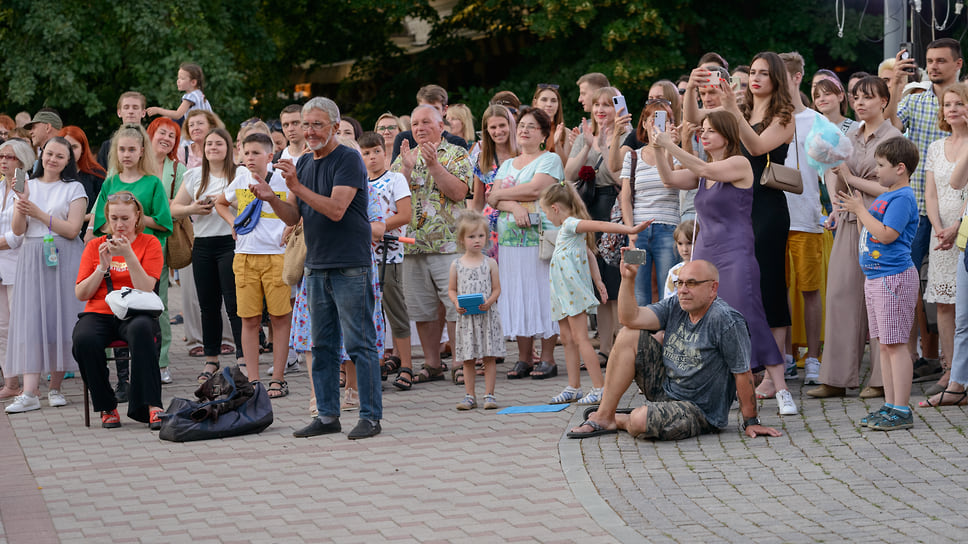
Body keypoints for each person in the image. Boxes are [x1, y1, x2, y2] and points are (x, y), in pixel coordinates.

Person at [653, 110, 798, 416]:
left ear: (728, 135)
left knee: (750, 315)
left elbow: (705, 168)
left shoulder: (739, 163)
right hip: (706, 251)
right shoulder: (703, 170)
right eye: (702, 130)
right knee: (705, 319)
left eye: (710, 131)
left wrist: (671, 146)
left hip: (736, 252)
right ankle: (716, 388)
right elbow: (668, 179)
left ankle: (781, 389)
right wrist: (657, 145)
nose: (703, 135)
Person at [255, 97, 383, 440]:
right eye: (305, 124)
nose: (309, 131)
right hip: (316, 265)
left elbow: (337, 209)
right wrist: (272, 197)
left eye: (317, 125)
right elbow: (295, 217)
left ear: (334, 126)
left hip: (350, 265)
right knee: (321, 345)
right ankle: (328, 416)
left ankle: (370, 417)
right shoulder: (305, 164)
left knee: (359, 344)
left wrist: (295, 187)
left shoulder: (349, 159)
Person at [568, 259, 782, 441]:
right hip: (667, 389)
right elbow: (629, 318)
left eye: (692, 283)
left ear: (713, 288)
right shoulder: (676, 305)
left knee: (639, 421)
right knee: (628, 334)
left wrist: (751, 422)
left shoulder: (726, 320)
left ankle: (620, 419)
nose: (683, 290)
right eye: (680, 283)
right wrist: (628, 279)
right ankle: (604, 416)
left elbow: (742, 373)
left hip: (699, 410)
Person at [806, 76, 897, 400]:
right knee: (841, 296)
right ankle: (835, 377)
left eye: (868, 97)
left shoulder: (894, 137)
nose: (860, 102)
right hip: (847, 217)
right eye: (857, 97)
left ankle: (881, 380)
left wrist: (849, 177)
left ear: (884, 101)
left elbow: (891, 188)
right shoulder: (848, 135)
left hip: (880, 220)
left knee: (880, 300)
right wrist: (837, 187)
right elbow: (838, 178)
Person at [718, 52, 797, 402]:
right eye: (752, 72)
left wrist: (733, 111)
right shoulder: (742, 110)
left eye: (764, 73)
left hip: (767, 207)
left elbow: (757, 146)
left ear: (777, 79)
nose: (756, 78)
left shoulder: (784, 116)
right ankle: (745, 365)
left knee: (769, 287)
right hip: (738, 206)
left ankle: (773, 367)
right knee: (741, 287)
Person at [835, 136, 921, 430]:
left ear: (900, 168)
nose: (876, 169)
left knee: (896, 345)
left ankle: (901, 408)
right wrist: (857, 210)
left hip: (893, 278)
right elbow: (868, 232)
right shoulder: (885, 196)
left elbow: (886, 235)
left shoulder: (903, 198)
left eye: (880, 165)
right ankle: (890, 404)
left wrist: (861, 210)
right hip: (876, 278)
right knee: (884, 346)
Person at [888, 38, 963, 378]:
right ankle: (920, 358)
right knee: (913, 285)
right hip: (918, 208)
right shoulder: (915, 102)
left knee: (947, 291)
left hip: (957, 213)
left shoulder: (963, 104)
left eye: (941, 61)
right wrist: (895, 85)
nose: (933, 66)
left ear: (957, 64)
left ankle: (947, 364)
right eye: (929, 61)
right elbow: (891, 129)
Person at [540, 182, 650, 406]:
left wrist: (629, 230)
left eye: (545, 212)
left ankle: (600, 387)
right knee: (569, 339)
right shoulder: (566, 230)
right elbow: (589, 252)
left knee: (581, 339)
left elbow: (600, 224)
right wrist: (598, 280)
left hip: (571, 292)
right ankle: (574, 386)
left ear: (555, 208)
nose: (546, 217)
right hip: (560, 292)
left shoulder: (571, 224)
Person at [390, 104, 472, 385]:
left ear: (441, 125)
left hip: (450, 244)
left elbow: (460, 191)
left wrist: (434, 165)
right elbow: (391, 199)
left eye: (426, 122)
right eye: (414, 124)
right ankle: (432, 363)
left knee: (455, 307)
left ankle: (461, 362)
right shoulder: (403, 158)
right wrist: (408, 170)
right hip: (412, 246)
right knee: (422, 310)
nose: (419, 128)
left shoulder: (457, 153)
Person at [4, 137, 87, 414]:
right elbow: (18, 230)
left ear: (68, 161)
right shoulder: (27, 183)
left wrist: (38, 212)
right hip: (31, 255)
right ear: (41, 154)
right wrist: (21, 206)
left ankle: (55, 387)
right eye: (49, 153)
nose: (53, 159)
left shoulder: (74, 188)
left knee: (60, 318)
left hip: (63, 256)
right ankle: (28, 392)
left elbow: (73, 229)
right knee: (31, 319)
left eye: (60, 156)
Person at [72, 192, 164, 429]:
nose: (119, 225)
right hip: (100, 312)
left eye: (125, 218)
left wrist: (129, 255)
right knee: (83, 339)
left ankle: (151, 405)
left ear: (137, 217)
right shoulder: (95, 245)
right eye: (114, 219)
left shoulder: (150, 243)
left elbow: (147, 288)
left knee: (143, 330)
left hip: (135, 311)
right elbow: (81, 294)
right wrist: (101, 268)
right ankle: (107, 405)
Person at [213, 133, 293, 395]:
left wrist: (292, 228)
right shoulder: (239, 178)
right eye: (246, 153)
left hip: (277, 256)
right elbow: (220, 203)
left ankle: (278, 378)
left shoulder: (283, 178)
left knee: (280, 318)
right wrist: (232, 223)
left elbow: (297, 210)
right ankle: (255, 380)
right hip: (245, 256)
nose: (250, 157)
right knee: (249, 319)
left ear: (270, 157)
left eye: (256, 153)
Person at [486, 108, 562, 380]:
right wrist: (515, 208)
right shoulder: (507, 164)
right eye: (522, 126)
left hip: (540, 239)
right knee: (517, 295)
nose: (524, 130)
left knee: (543, 294)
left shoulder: (550, 159)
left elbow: (536, 189)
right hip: (510, 241)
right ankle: (524, 358)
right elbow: (490, 198)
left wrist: (504, 197)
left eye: (532, 126)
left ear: (544, 133)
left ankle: (549, 358)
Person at [170, 128, 245, 382]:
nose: (213, 147)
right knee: (208, 306)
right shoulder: (193, 176)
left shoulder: (239, 174)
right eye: (209, 144)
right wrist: (194, 208)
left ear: (229, 148)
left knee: (235, 304)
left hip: (231, 244)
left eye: (219, 143)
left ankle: (243, 358)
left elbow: (250, 204)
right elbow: (173, 209)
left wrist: (226, 201)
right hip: (202, 245)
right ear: (202, 149)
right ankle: (211, 358)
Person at [564, 86, 628, 363]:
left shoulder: (629, 135)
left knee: (617, 279)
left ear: (620, 107)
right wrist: (588, 145)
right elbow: (567, 174)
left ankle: (621, 345)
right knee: (599, 281)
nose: (601, 109)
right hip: (589, 208)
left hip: (614, 207)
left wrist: (604, 146)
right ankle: (603, 347)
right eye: (597, 104)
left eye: (608, 104)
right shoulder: (585, 136)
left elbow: (622, 179)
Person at [778, 52, 824, 383]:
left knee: (810, 290)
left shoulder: (817, 122)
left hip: (806, 216)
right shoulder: (765, 120)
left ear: (796, 77)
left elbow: (831, 170)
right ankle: (781, 356)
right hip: (771, 217)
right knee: (775, 290)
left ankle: (814, 358)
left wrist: (832, 204)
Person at [921, 83, 968, 396]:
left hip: (962, 230)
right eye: (947, 105)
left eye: (958, 104)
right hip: (940, 235)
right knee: (944, 304)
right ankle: (950, 369)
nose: (951, 109)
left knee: (964, 306)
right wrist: (939, 226)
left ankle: (961, 373)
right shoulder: (936, 147)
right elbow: (931, 193)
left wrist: (956, 227)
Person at [358, 132, 414, 390]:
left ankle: (407, 365)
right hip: (363, 256)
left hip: (389, 253)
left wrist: (378, 227)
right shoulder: (358, 182)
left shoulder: (396, 179)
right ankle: (377, 362)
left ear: (385, 152)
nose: (371, 157)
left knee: (394, 308)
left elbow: (405, 215)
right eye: (366, 153)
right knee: (371, 311)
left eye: (376, 152)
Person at [618, 98, 681, 305]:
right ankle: (641, 337)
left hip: (668, 228)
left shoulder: (677, 153)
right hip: (638, 231)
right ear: (644, 123)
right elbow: (625, 197)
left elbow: (672, 181)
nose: (658, 124)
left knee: (669, 289)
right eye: (653, 119)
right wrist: (631, 231)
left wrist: (670, 146)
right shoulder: (632, 157)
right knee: (638, 290)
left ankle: (666, 334)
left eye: (664, 119)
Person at [447, 211, 504, 410]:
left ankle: (490, 394)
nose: (477, 240)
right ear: (462, 240)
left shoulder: (490, 263)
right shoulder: (456, 265)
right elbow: (452, 289)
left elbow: (497, 288)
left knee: (489, 356)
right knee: (468, 358)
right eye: (471, 236)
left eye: (480, 236)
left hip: (486, 316)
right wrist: (456, 303)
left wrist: (489, 302)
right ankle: (470, 395)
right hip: (467, 318)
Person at [146, 117, 187, 383]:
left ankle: (161, 362)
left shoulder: (178, 168)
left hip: (159, 241)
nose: (167, 139)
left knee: (159, 304)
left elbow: (182, 201)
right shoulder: (136, 162)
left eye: (172, 136)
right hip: (130, 241)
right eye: (162, 133)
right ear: (151, 134)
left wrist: (154, 206)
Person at [0, 139, 30, 401]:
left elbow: (18, 234)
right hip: (1, 264)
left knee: (21, 326)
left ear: (20, 160)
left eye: (8, 157)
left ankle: (30, 384)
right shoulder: (0, 185)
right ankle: (10, 383)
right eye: (1, 156)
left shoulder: (23, 184)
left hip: (18, 263)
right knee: (2, 327)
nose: (3, 161)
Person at [391, 85, 468, 160]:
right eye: (424, 108)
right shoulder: (404, 139)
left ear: (444, 110)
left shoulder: (457, 143)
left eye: (435, 109)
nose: (429, 113)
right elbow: (394, 172)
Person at [470, 105, 518, 216]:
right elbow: (478, 202)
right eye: (493, 127)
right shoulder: (481, 159)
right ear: (487, 130)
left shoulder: (523, 155)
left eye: (502, 125)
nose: (498, 131)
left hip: (518, 221)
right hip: (490, 224)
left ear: (511, 126)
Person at [58, 126, 106, 231]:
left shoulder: (97, 174)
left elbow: (104, 207)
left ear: (83, 149)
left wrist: (78, 219)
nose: (70, 151)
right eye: (66, 146)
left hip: (89, 232)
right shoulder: (53, 174)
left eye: (74, 147)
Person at [96, 92, 147, 169]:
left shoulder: (151, 144)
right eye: (126, 107)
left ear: (143, 113)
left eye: (135, 107)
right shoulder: (107, 147)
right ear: (119, 112)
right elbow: (101, 178)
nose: (131, 111)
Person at [146, 62, 212, 121]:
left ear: (193, 82)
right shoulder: (200, 95)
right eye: (178, 78)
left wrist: (158, 110)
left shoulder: (190, 97)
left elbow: (177, 115)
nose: (178, 81)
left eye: (182, 78)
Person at [661, 220, 697, 299]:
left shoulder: (707, 269)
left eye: (689, 243)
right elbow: (668, 301)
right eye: (680, 244)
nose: (684, 249)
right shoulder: (674, 272)